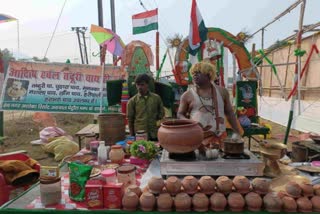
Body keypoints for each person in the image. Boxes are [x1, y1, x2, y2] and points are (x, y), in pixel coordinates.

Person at [177, 62, 241, 149]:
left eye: (198, 72)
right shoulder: (187, 95)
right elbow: (180, 114)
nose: (195, 75)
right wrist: (191, 122)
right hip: (196, 139)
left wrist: (237, 132)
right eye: (193, 73)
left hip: (220, 138)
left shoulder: (222, 92)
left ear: (209, 75)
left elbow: (229, 113)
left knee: (220, 161)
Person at [127, 74, 165, 141]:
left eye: (142, 84)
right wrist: (132, 136)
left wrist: (154, 121)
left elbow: (161, 114)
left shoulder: (156, 98)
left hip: (154, 133)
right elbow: (130, 120)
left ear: (147, 84)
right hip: (140, 134)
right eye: (137, 85)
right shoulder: (132, 101)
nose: (139, 87)